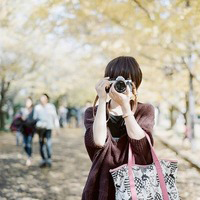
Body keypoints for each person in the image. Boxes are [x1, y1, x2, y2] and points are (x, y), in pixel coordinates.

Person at [82, 56, 155, 199]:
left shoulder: (145, 110)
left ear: (135, 84)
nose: (120, 86)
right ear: (108, 82)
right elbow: (98, 141)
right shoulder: (93, 112)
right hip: (100, 187)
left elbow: (143, 150)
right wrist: (102, 99)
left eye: (126, 81)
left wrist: (126, 108)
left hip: (135, 188)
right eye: (115, 80)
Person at [34, 93, 60, 168]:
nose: (43, 100)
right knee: (41, 143)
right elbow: (35, 118)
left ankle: (49, 159)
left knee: (48, 144)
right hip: (40, 128)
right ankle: (43, 159)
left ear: (47, 99)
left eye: (44, 98)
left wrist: (57, 129)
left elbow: (55, 118)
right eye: (41, 98)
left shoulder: (51, 107)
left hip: (49, 128)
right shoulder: (37, 107)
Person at [20, 97, 36, 166]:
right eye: (27, 102)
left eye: (29, 102)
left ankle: (29, 158)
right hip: (24, 130)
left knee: (29, 144)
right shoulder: (23, 110)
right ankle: (29, 155)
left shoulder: (34, 111)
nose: (28, 103)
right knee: (24, 145)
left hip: (31, 131)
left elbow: (35, 119)